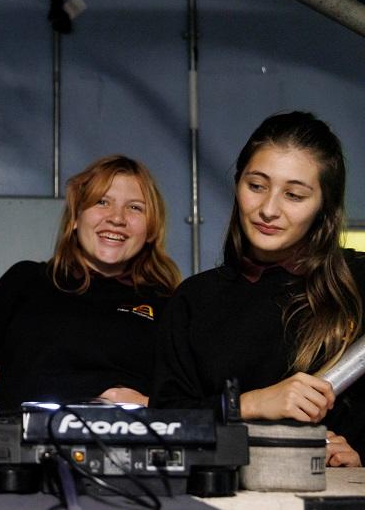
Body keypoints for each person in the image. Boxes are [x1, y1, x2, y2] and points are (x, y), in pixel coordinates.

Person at [151, 111, 364, 467]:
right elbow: (162, 425)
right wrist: (250, 404)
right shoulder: (195, 300)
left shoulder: (357, 285)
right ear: (237, 185)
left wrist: (360, 460)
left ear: (323, 207)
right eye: (256, 186)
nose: (268, 209)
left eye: (294, 195)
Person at [0, 155, 180, 412]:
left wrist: (149, 405)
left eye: (135, 207)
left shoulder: (169, 304)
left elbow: (191, 403)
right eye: (102, 202)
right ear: (76, 217)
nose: (117, 218)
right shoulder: (25, 282)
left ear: (152, 227)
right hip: (20, 446)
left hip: (128, 448)